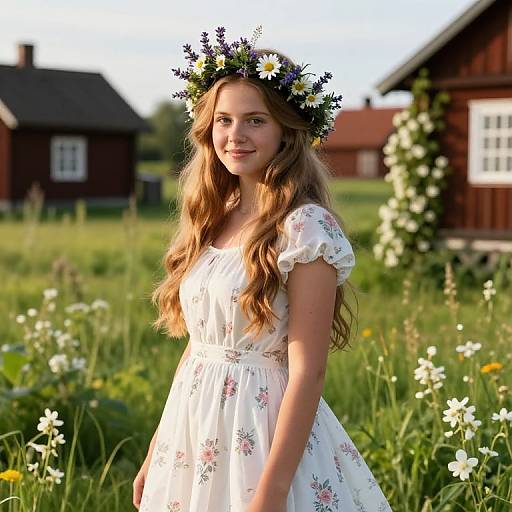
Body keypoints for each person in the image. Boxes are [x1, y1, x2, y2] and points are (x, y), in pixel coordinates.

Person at [133, 26, 392, 512]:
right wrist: (156, 450)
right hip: (194, 429)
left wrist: (271, 493)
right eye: (224, 120)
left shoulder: (305, 229)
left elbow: (308, 372)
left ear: (286, 131)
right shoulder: (213, 218)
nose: (236, 135)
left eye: (255, 120)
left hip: (262, 429)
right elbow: (199, 347)